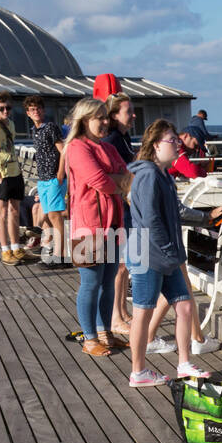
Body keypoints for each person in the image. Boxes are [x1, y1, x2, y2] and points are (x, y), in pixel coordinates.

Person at [126, 120, 218, 386]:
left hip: (166, 256)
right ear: (156, 145)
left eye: (178, 141)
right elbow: (151, 221)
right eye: (172, 141)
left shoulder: (163, 174)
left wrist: (205, 218)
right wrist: (169, 250)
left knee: (185, 306)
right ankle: (138, 371)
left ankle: (185, 364)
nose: (177, 145)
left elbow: (176, 211)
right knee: (143, 311)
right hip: (148, 254)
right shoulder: (148, 175)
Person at [65, 96, 131, 357]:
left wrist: (115, 181)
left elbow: (127, 176)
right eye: (99, 117)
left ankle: (105, 332)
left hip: (113, 224)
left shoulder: (108, 148)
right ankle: (90, 337)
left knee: (108, 282)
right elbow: (99, 181)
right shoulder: (77, 148)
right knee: (90, 283)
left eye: (106, 117)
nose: (105, 122)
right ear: (84, 120)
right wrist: (117, 182)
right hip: (88, 227)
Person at [0, 92, 36, 264]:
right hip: (1, 175)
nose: (5, 111)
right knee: (2, 212)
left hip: (14, 171)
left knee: (15, 211)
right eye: (1, 108)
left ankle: (16, 248)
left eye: (8, 108)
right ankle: (5, 251)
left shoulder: (10, 123)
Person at [102, 92, 137, 340]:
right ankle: (115, 318)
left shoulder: (123, 138)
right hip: (120, 207)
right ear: (115, 115)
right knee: (120, 265)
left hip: (126, 205)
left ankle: (122, 312)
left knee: (124, 265)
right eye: (128, 111)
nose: (133, 115)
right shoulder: (114, 140)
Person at [24, 95, 67, 262]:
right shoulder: (34, 130)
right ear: (27, 113)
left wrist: (61, 173)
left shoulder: (50, 127)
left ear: (44, 110)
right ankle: (50, 249)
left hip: (54, 178)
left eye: (39, 108)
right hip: (42, 179)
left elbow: (63, 150)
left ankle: (61, 256)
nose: (36, 112)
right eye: (32, 109)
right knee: (48, 216)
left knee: (55, 216)